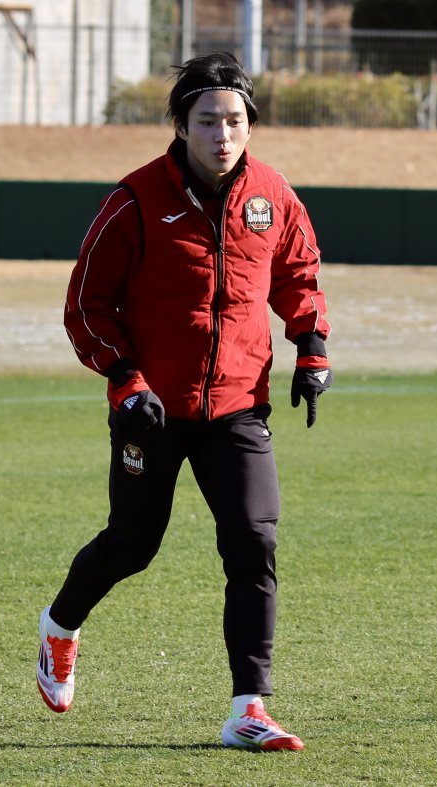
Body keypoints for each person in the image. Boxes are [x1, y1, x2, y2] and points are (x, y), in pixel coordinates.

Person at [36, 51, 332, 751]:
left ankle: (249, 706)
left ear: (250, 125)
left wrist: (312, 349)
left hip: (238, 405)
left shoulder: (273, 195)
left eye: (234, 120)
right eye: (207, 120)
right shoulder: (136, 198)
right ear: (181, 125)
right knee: (133, 545)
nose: (222, 134)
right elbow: (86, 305)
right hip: (152, 408)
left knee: (254, 540)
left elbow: (299, 275)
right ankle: (59, 625)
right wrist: (124, 379)